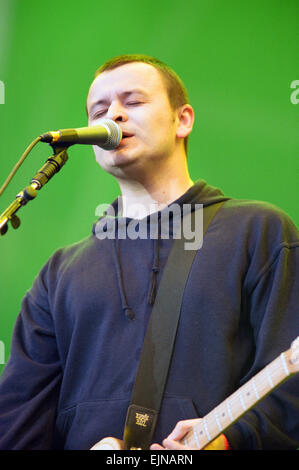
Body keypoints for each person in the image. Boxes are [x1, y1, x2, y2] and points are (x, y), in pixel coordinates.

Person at [0, 54, 298, 451]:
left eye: (133, 102)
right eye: (99, 110)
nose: (114, 116)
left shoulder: (259, 232)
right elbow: (17, 422)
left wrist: (229, 441)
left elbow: (290, 391)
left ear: (183, 120)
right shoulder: (60, 274)